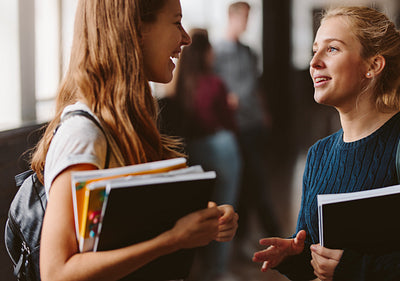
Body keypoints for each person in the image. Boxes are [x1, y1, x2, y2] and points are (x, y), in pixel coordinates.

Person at [253, 6, 400, 281]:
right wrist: (294, 255)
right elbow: (320, 258)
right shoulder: (318, 155)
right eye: (315, 50)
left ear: (373, 66)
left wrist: (359, 269)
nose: (314, 62)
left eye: (332, 49)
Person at [32, 1, 238, 280]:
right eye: (176, 22)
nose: (186, 38)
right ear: (135, 30)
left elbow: (117, 231)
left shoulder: (124, 125)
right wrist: (172, 239)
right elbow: (57, 273)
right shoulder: (84, 135)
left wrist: (201, 220)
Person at [213, 1, 282, 252]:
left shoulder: (249, 51)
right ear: (233, 18)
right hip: (234, 126)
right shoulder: (217, 52)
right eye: (244, 18)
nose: (247, 24)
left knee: (252, 180)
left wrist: (264, 113)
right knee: (252, 180)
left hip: (254, 123)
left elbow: (256, 86)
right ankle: (272, 233)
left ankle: (251, 238)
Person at [174, 28, 242, 281]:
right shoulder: (215, 83)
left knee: (200, 209)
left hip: (192, 150)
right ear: (205, 52)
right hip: (221, 146)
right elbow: (229, 121)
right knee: (225, 209)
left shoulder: (180, 85)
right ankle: (217, 272)